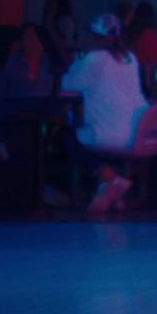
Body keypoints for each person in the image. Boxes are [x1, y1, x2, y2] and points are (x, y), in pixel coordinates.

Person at [61, 12, 147, 213]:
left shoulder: (94, 59)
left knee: (69, 136)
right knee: (90, 131)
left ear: (95, 36)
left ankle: (110, 177)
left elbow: (67, 84)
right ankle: (113, 192)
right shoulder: (130, 59)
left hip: (108, 135)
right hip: (134, 132)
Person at [126, 1, 157, 96]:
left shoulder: (129, 33)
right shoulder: (150, 35)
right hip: (145, 78)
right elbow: (154, 59)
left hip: (130, 75)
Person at [41, 0, 78, 75]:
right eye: (50, 4)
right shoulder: (50, 21)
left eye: (54, 4)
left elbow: (68, 43)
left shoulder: (65, 21)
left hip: (62, 61)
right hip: (52, 61)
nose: (51, 7)